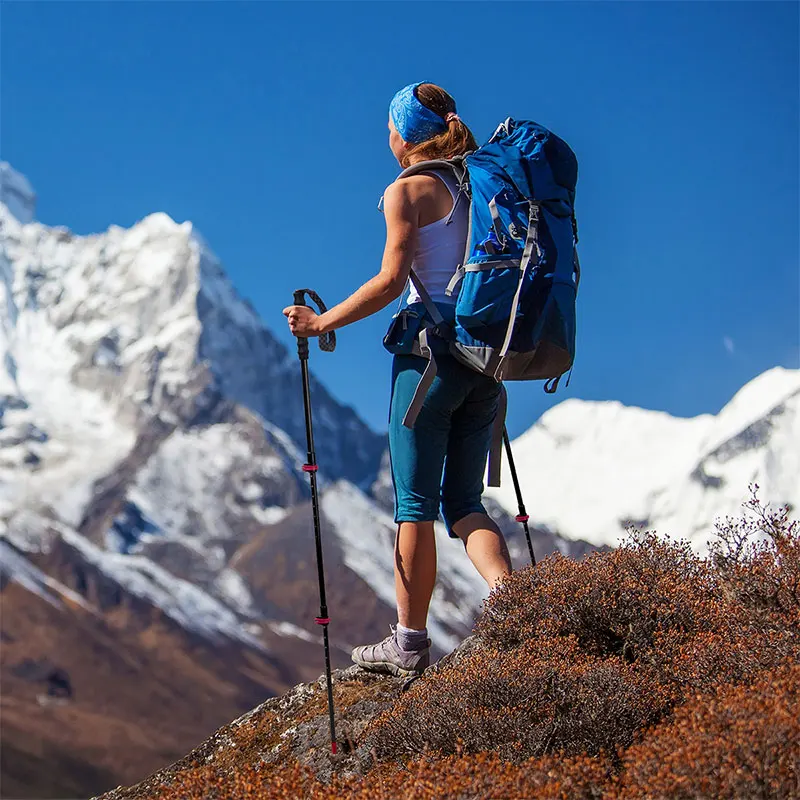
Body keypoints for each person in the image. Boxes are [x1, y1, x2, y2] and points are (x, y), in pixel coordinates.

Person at [283, 82, 512, 677]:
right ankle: (517, 608)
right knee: (464, 501)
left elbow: (391, 281)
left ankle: (408, 643)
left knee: (414, 505)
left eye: (389, 127)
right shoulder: (481, 187)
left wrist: (320, 322)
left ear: (403, 134)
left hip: (427, 362)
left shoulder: (407, 190)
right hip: (484, 363)